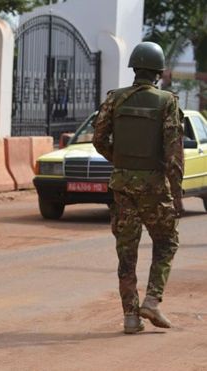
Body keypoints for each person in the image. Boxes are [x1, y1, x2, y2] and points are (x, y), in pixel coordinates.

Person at [92, 41, 183, 334]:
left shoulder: (115, 99)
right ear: (158, 71)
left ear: (134, 68)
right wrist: (176, 194)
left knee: (126, 251)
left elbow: (98, 139)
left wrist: (118, 160)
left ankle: (131, 317)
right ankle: (152, 300)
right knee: (166, 241)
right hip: (154, 186)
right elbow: (172, 155)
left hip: (122, 186)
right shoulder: (167, 101)